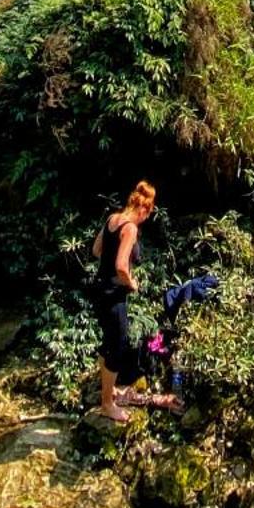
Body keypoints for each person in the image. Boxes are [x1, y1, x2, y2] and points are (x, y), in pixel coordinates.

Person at [90, 180, 156, 422]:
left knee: (109, 343)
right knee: (117, 347)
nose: (145, 220)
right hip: (113, 294)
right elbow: (120, 266)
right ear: (144, 210)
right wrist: (131, 282)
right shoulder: (130, 228)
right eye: (147, 215)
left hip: (99, 289)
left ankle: (108, 391)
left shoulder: (112, 219)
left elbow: (97, 249)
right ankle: (108, 404)